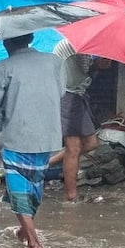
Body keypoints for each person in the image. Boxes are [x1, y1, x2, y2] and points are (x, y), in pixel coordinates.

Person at [0, 33, 64, 248]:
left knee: (19, 187)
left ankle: (34, 242)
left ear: (6, 42)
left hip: (16, 137)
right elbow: (61, 92)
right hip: (47, 135)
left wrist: (2, 129)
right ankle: (25, 231)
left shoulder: (0, 68)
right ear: (32, 37)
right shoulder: (54, 62)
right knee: (34, 184)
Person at [48, 40, 102, 202]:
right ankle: (71, 196)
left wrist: (98, 64)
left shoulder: (83, 45)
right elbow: (82, 69)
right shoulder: (76, 43)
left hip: (77, 95)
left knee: (92, 142)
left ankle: (46, 164)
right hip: (67, 95)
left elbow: (83, 71)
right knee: (74, 147)